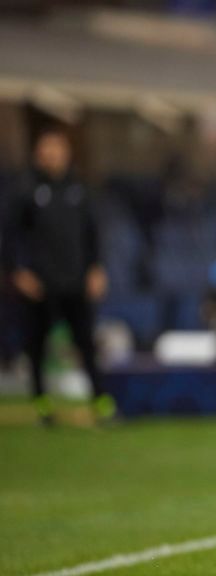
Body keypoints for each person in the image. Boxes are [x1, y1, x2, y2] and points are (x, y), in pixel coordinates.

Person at [1, 127, 116, 425]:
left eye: (57, 148)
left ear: (66, 152)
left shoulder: (79, 189)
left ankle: (101, 403)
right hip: (39, 285)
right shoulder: (26, 190)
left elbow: (93, 234)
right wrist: (18, 272)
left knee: (86, 346)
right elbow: (9, 236)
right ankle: (42, 406)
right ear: (38, 153)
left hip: (75, 281)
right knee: (36, 346)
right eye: (46, 148)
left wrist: (96, 268)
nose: (52, 154)